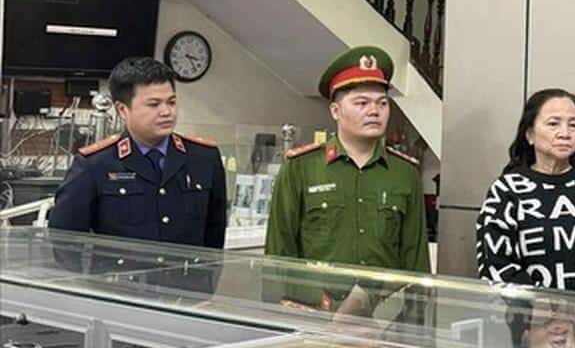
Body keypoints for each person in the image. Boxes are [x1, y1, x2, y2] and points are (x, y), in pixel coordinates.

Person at [265, 45, 430, 310]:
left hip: (381, 320)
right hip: (315, 314)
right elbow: (278, 256)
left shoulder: (405, 173)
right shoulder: (301, 167)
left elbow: (415, 263)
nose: (374, 111)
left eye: (382, 103)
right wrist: (317, 304)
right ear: (335, 111)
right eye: (361, 103)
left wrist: (411, 323)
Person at [51, 57, 227, 248]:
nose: (166, 112)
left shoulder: (204, 158)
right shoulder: (95, 164)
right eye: (154, 104)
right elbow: (64, 240)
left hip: (187, 268)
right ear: (122, 110)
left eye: (171, 102)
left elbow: (215, 235)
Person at [476, 88, 575, 296]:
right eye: (553, 124)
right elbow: (494, 263)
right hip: (529, 313)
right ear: (529, 134)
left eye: (573, 125)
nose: (565, 133)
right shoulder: (507, 190)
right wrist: (539, 304)